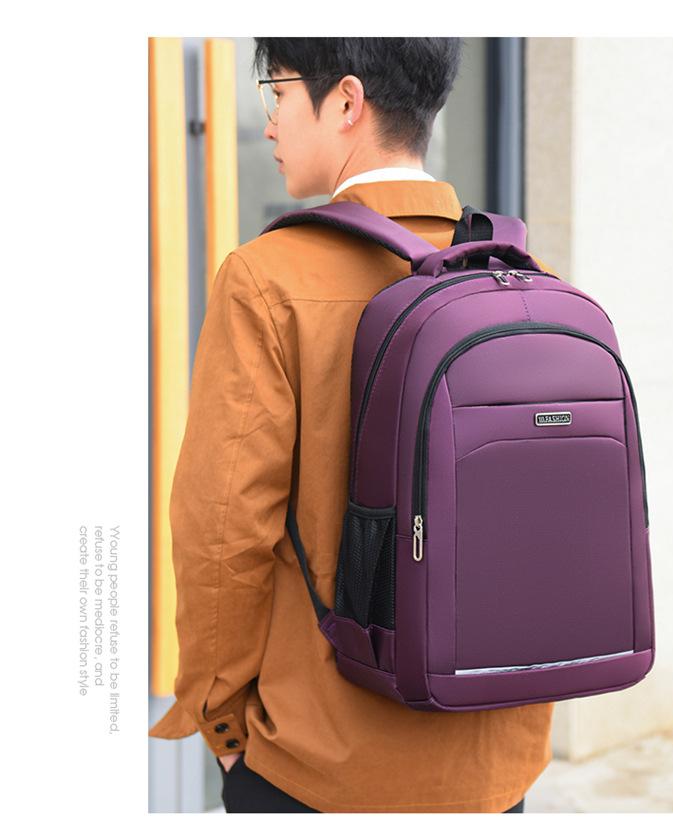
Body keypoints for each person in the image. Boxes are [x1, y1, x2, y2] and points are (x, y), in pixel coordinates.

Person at [149, 36, 556, 814]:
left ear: (344, 101)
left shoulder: (267, 280)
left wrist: (223, 723)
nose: (269, 123)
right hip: (497, 764)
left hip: (319, 767)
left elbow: (222, 535)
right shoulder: (524, 280)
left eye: (278, 92)